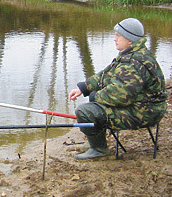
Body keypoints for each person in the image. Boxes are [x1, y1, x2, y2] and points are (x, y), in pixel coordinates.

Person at [68, 18, 167, 160]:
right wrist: (83, 88)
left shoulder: (133, 63)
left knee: (85, 111)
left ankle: (99, 148)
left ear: (130, 40)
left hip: (146, 112)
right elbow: (107, 75)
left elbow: (120, 96)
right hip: (146, 106)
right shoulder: (133, 54)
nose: (115, 39)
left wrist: (95, 97)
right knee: (94, 101)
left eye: (118, 36)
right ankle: (95, 141)